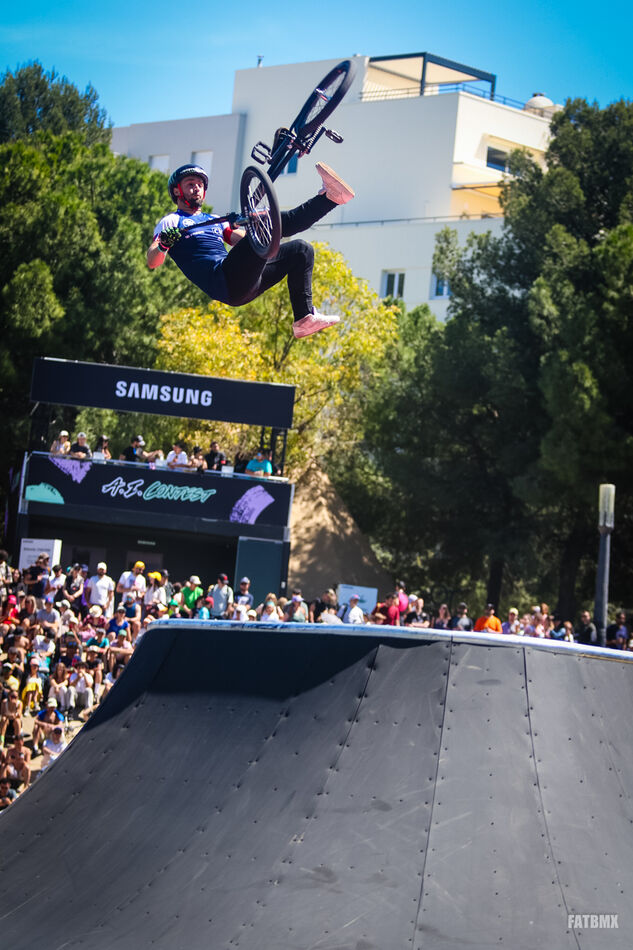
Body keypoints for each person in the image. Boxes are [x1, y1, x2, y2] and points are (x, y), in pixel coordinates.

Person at [148, 161, 354, 340]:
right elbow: (152, 261)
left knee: (301, 250)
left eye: (200, 185)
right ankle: (329, 199)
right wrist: (164, 244)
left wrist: (255, 222)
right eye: (190, 185)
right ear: (177, 191)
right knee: (271, 225)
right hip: (223, 280)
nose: (197, 189)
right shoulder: (172, 221)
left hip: (245, 282)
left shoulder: (212, 220)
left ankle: (304, 319)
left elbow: (250, 242)